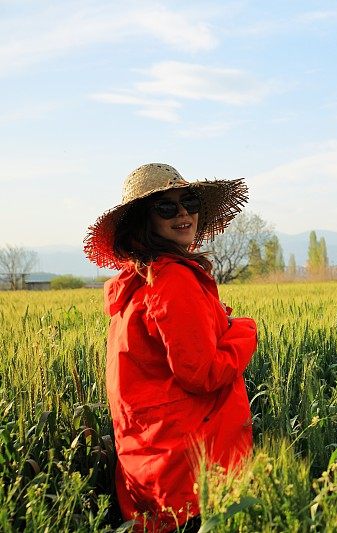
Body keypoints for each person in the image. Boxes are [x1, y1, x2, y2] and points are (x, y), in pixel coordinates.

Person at [84, 163, 258, 532]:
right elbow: (203, 373)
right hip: (191, 469)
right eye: (166, 207)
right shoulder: (173, 279)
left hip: (152, 462)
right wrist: (245, 331)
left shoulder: (138, 280)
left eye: (189, 201)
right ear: (142, 221)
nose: (182, 213)